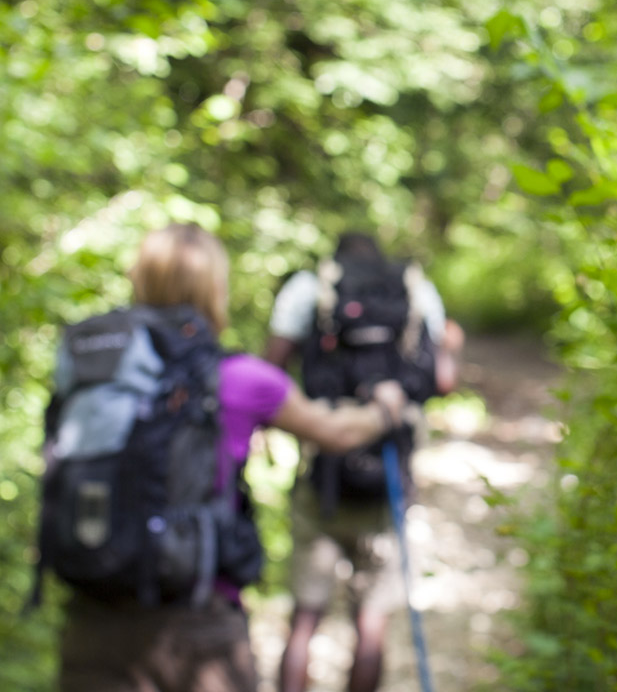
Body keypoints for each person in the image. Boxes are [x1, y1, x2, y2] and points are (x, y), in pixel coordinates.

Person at [53, 223, 407, 692]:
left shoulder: (90, 370)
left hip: (93, 615)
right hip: (199, 620)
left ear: (139, 281)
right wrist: (386, 408)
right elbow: (338, 432)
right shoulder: (240, 379)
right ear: (215, 289)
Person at [264, 232, 458, 692]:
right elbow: (443, 381)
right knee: (371, 625)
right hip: (391, 480)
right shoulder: (415, 289)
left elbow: (271, 374)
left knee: (305, 619)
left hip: (322, 473)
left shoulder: (308, 289)